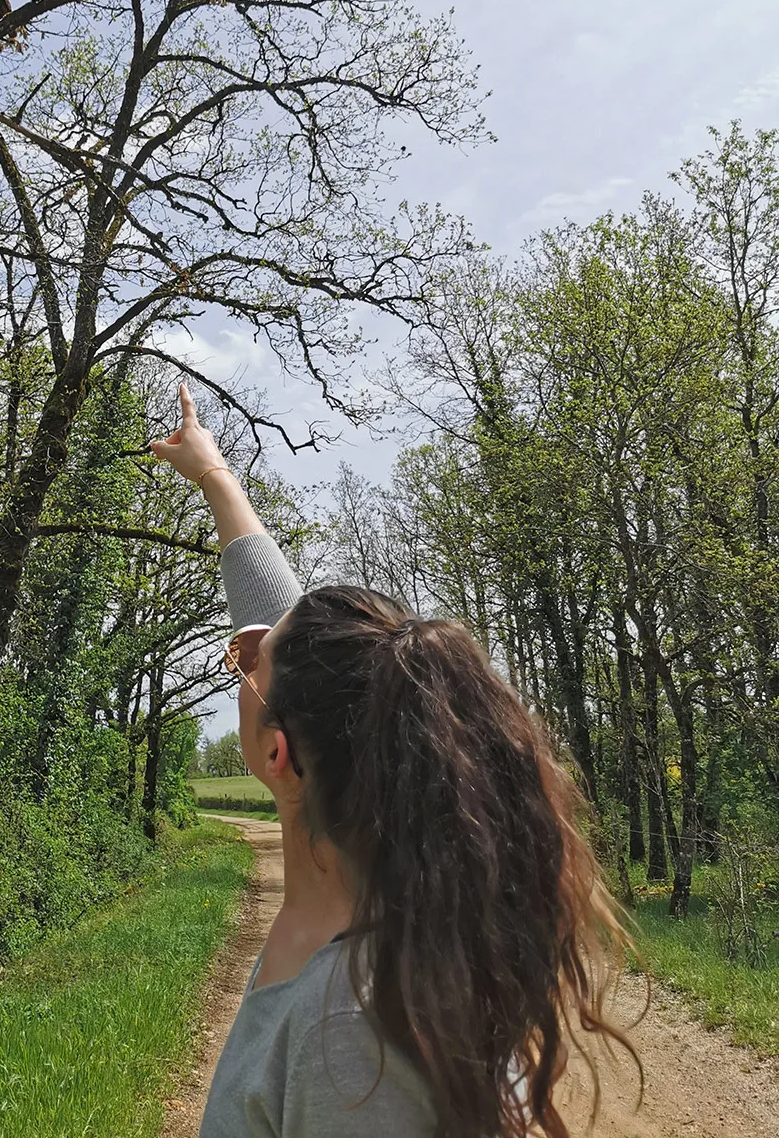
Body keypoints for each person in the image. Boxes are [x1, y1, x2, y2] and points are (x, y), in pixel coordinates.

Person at [151, 383, 640, 1138]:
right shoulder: (365, 928)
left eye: (246, 656)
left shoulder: (351, 1037)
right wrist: (217, 479)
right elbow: (292, 625)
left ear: (281, 753)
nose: (241, 648)